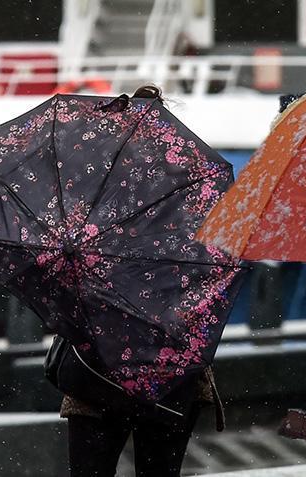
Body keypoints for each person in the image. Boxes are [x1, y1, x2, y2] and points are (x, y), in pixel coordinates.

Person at [57, 85, 224, 477]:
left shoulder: (86, 208)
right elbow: (212, 287)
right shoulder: (196, 203)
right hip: (170, 373)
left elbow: (63, 295)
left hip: (98, 372)